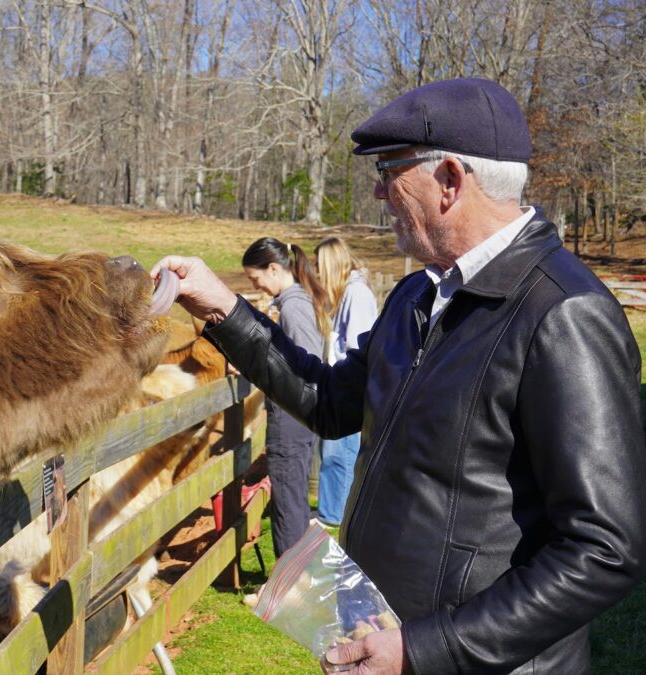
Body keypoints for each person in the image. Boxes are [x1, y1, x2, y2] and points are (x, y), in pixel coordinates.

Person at [152, 77, 645, 674]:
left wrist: (425, 650)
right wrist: (224, 312)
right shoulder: (417, 294)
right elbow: (328, 400)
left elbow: (606, 548)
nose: (380, 194)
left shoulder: (563, 312)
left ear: (450, 180)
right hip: (376, 640)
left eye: (389, 173)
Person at [241, 237, 330, 557]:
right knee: (291, 496)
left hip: (291, 416)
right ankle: (295, 579)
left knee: (288, 501)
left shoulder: (293, 306)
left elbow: (304, 363)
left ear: (274, 268)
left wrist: (261, 365)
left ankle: (289, 586)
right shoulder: (295, 303)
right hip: (297, 416)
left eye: (257, 278)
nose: (258, 285)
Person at [312, 237, 378, 526]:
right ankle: (332, 512)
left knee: (341, 454)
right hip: (340, 384)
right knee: (332, 453)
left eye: (318, 266)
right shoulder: (347, 294)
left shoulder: (357, 294)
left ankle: (334, 517)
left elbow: (358, 345)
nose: (315, 272)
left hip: (349, 388)